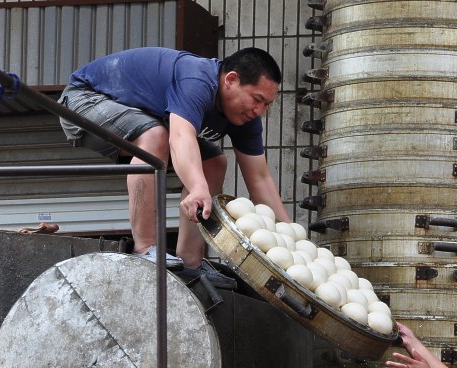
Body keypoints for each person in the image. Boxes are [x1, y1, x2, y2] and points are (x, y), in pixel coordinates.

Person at [58, 46, 290, 281]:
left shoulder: (247, 117)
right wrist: (197, 186)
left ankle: (191, 262)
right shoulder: (197, 80)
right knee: (154, 137)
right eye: (257, 99)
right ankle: (145, 248)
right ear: (231, 80)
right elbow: (180, 137)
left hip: (141, 113)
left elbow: (260, 179)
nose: (259, 111)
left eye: (267, 104)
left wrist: (290, 238)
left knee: (214, 163)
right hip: (83, 100)